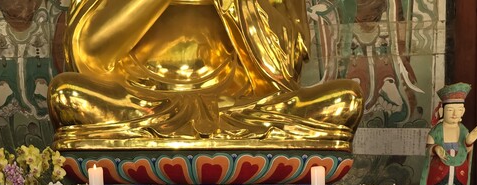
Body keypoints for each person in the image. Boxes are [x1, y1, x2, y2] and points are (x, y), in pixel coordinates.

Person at [48, 0, 362, 150]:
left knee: (345, 101)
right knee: (67, 95)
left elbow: (284, 68)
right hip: (142, 101)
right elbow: (87, 54)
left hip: (239, 104)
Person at [419, 82, 477, 185]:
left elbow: (467, 148)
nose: (455, 114)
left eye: (459, 110)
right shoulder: (437, 130)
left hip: (459, 168)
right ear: (442, 110)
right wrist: (436, 149)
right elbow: (428, 147)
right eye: (451, 110)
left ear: (463, 111)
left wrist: (470, 140)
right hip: (440, 169)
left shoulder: (463, 130)